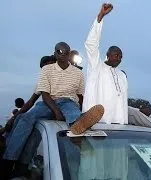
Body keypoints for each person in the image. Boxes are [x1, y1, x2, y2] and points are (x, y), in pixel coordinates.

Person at [0, 42, 104, 179]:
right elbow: (42, 95)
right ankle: (9, 161)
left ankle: (79, 121)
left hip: (68, 101)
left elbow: (80, 96)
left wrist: (81, 107)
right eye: (59, 52)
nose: (62, 55)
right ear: (54, 53)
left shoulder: (78, 73)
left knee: (73, 113)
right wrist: (56, 111)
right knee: (25, 118)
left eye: (65, 53)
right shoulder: (46, 70)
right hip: (48, 102)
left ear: (69, 54)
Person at [83, 3, 128, 124]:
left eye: (121, 56)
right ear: (107, 55)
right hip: (97, 123)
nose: (119, 58)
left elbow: (122, 102)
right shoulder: (96, 66)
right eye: (116, 55)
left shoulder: (121, 75)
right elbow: (91, 44)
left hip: (117, 124)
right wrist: (100, 17)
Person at [1, 56, 56, 134]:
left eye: (49, 65)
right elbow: (31, 102)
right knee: (20, 118)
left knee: (24, 119)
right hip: (48, 108)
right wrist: (13, 118)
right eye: (43, 68)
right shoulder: (43, 81)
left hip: (59, 106)